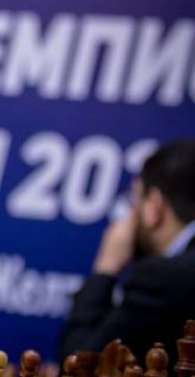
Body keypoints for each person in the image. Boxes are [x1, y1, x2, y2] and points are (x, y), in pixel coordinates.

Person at [60, 140, 195, 367]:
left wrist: (105, 271)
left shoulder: (163, 278)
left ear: (154, 207)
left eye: (135, 201)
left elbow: (80, 366)